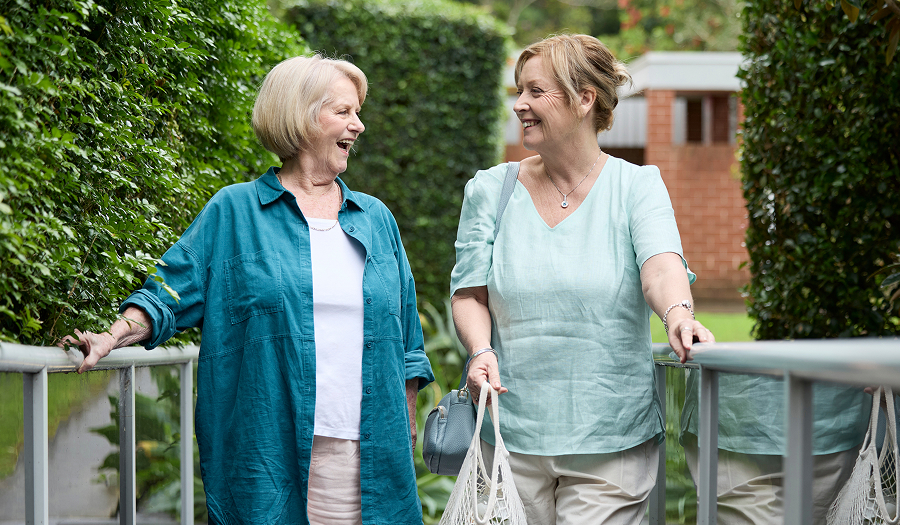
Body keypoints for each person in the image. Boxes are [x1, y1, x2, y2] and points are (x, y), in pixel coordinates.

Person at [61, 55, 434, 525]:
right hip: (269, 453)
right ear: (300, 117)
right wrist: (112, 336)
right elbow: (169, 294)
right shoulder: (235, 212)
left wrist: (406, 418)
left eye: (358, 113)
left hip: (372, 456)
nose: (358, 126)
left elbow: (407, 341)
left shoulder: (376, 219)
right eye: (344, 112)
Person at [449, 34, 714, 525]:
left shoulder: (637, 186)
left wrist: (680, 314)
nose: (520, 105)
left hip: (610, 441)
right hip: (508, 437)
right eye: (519, 91)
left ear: (584, 99)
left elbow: (660, 265)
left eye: (534, 91)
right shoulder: (490, 190)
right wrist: (481, 350)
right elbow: (469, 292)